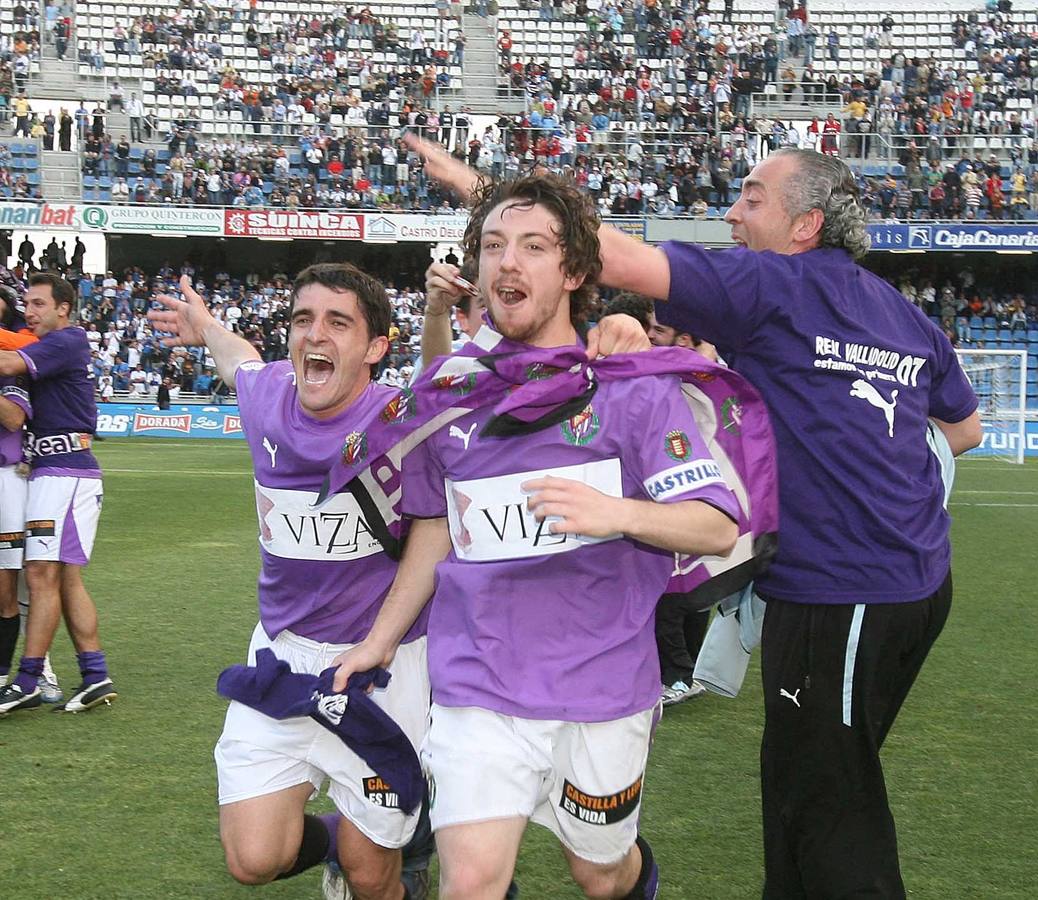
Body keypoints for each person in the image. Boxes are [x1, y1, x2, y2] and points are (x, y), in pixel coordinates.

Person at [404, 137, 983, 898]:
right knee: (799, 781)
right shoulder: (900, 311)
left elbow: (607, 255)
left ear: (804, 225)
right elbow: (964, 430)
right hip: (918, 580)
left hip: (843, 586)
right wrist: (865, 465)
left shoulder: (769, 285)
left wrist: (482, 191)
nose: (733, 212)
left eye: (751, 198)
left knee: (833, 800)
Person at [330, 174, 742, 900]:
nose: (507, 263)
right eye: (492, 246)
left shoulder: (628, 387)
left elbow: (714, 524)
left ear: (576, 271)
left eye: (532, 246)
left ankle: (628, 875)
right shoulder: (454, 395)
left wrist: (616, 514)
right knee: (470, 883)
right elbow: (435, 527)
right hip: (478, 680)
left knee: (600, 872)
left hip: (605, 684)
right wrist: (383, 637)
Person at [148, 265, 436, 900]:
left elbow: (435, 529)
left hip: (383, 668)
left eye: (339, 322)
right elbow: (238, 361)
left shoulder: (398, 419)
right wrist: (206, 326)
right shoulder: (269, 397)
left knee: (373, 877)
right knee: (254, 858)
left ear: (376, 347)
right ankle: (348, 838)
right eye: (303, 320)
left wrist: (382, 640)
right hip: (283, 659)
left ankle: (391, 850)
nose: (315, 335)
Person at [0, 272, 116, 717]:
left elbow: (9, 365)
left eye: (38, 304)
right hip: (58, 469)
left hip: (65, 472)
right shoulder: (51, 346)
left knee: (40, 573)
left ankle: (28, 679)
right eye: (26, 304)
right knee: (63, 578)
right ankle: (94, 673)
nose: (29, 312)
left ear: (63, 307)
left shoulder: (67, 341)